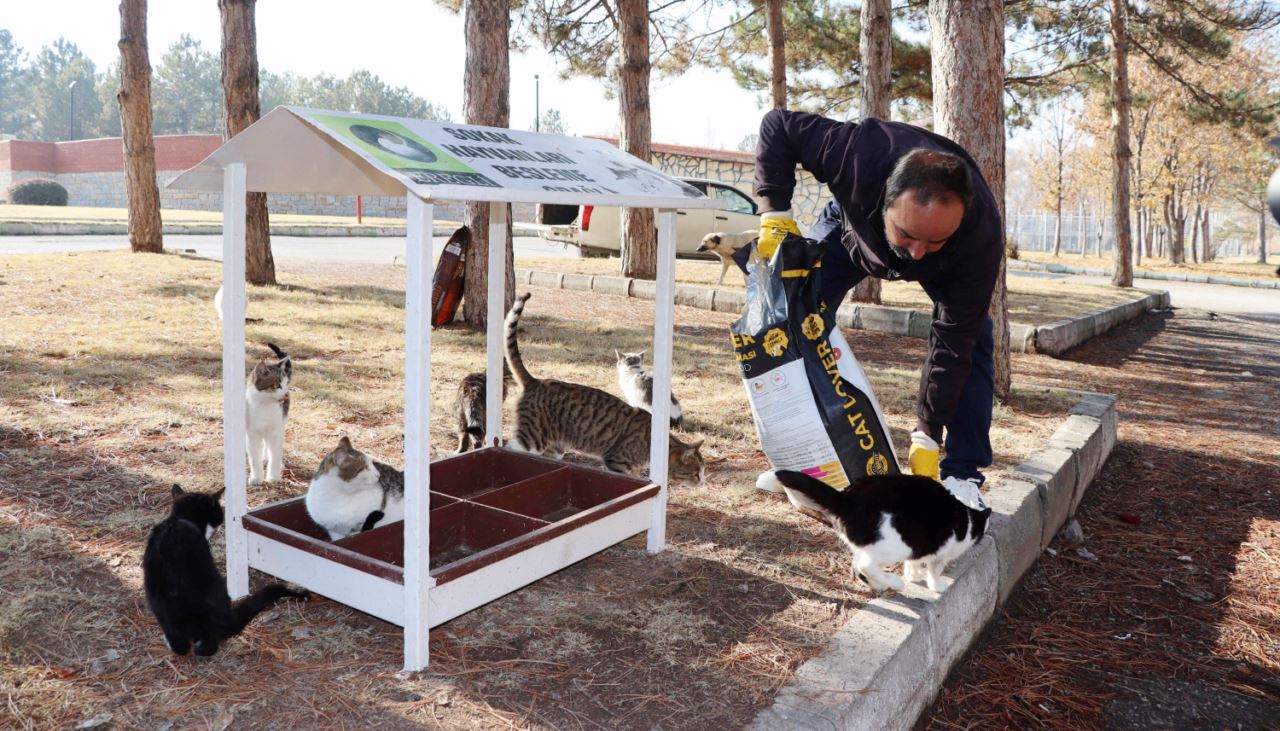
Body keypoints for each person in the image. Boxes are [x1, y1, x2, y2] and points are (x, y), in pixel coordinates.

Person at [748, 109, 1002, 486]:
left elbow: (952, 345)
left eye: (934, 240)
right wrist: (774, 211)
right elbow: (778, 125)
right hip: (852, 232)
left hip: (947, 268)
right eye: (908, 234)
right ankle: (808, 460)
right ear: (886, 196)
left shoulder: (979, 238)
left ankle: (962, 476)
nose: (917, 252)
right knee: (792, 314)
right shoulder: (857, 153)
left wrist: (927, 433)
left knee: (973, 339)